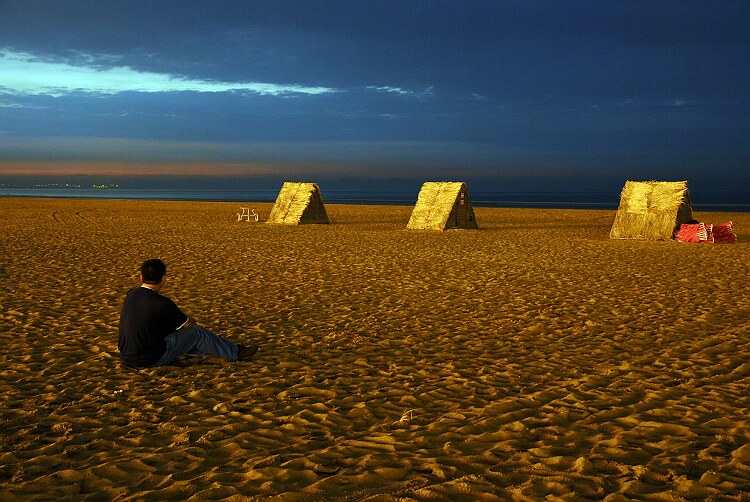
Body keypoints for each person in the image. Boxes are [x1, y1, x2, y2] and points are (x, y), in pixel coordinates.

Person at [118, 259, 258, 368]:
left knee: (169, 330)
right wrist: (189, 319)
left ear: (140, 277)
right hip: (148, 360)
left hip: (126, 356)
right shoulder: (162, 303)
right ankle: (236, 352)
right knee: (196, 332)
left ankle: (203, 351)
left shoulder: (131, 294)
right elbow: (187, 324)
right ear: (164, 279)